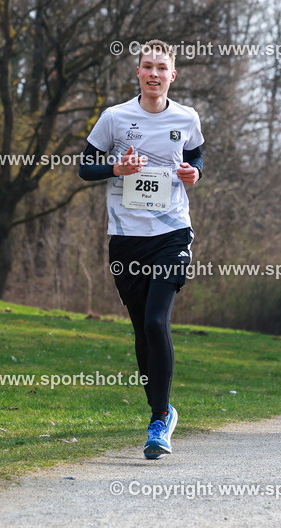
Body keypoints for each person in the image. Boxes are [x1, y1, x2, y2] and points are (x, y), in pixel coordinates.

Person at [78, 39, 204, 459]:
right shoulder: (115, 117)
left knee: (155, 322)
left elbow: (196, 156)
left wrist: (194, 172)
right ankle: (160, 410)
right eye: (147, 66)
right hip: (126, 237)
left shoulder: (186, 117)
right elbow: (84, 167)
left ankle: (159, 419)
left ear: (173, 75)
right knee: (140, 329)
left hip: (172, 234)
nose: (154, 73)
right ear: (137, 72)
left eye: (161, 67)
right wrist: (116, 167)